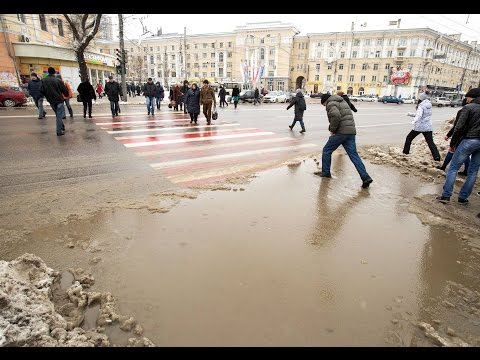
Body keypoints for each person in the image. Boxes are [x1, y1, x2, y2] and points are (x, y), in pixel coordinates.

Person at [315, 93, 373, 188]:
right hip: (350, 131)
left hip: (340, 132)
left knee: (326, 150)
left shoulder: (331, 103)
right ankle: (365, 177)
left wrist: (333, 130)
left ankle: (326, 173)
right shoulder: (342, 101)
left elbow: (336, 116)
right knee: (354, 155)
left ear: (325, 101)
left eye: (324, 105)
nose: (325, 106)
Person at [436, 88, 480, 205]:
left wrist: (453, 144)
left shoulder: (468, 108)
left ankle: (446, 196)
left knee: (453, 168)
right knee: (473, 171)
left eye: (467, 97)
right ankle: (463, 198)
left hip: (469, 140)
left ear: (472, 97)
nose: (466, 99)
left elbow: (458, 127)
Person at [437, 98, 470, 175]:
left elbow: (457, 127)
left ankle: (443, 167)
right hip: (471, 137)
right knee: (466, 153)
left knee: (451, 151)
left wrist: (449, 136)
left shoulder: (462, 111)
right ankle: (466, 171)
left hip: (460, 135)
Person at [403, 93, 441, 161]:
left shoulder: (421, 106)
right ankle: (437, 157)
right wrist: (410, 114)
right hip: (428, 127)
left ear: (421, 99)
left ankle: (405, 153)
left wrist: (414, 121)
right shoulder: (428, 105)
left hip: (420, 126)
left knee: (409, 138)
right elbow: (421, 115)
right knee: (430, 142)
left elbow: (419, 116)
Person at [40, 67, 69, 136]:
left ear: (48, 72)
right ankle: (59, 131)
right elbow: (64, 91)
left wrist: (47, 95)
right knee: (59, 115)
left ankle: (62, 127)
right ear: (54, 72)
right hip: (59, 99)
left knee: (57, 114)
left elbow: (41, 90)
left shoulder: (43, 80)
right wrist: (66, 94)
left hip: (51, 100)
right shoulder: (58, 80)